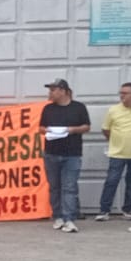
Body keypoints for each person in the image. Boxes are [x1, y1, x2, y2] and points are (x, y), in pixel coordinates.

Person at [38, 79, 91, 234]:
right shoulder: (48, 109)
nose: (50, 93)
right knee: (55, 187)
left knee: (69, 187)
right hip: (51, 153)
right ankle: (58, 216)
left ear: (63, 91)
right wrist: (49, 131)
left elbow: (86, 126)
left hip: (72, 154)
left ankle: (69, 219)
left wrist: (70, 130)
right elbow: (41, 128)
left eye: (53, 90)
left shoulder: (78, 108)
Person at [95, 83, 131, 222]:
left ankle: (127, 210)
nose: (122, 95)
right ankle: (104, 210)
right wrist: (115, 141)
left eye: (126, 93)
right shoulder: (113, 110)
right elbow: (105, 129)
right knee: (111, 181)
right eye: (121, 92)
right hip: (117, 153)